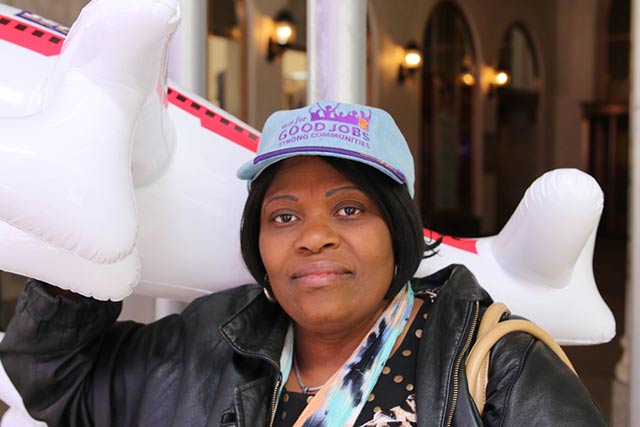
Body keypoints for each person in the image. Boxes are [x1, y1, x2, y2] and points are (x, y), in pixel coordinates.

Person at [0, 101, 607, 427]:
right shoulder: (205, 343)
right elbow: (58, 382)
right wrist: (85, 261)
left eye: (349, 209)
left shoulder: (497, 366)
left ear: (398, 230)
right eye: (284, 216)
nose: (314, 238)